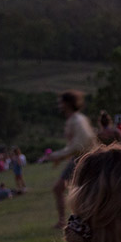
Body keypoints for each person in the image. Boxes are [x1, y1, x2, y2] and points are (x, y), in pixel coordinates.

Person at [44, 90, 98, 229]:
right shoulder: (77, 119)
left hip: (82, 158)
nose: (59, 105)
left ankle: (66, 221)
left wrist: (56, 155)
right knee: (80, 190)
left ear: (67, 103)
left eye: (61, 102)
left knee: (61, 188)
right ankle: (74, 220)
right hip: (81, 157)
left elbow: (79, 144)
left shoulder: (77, 120)